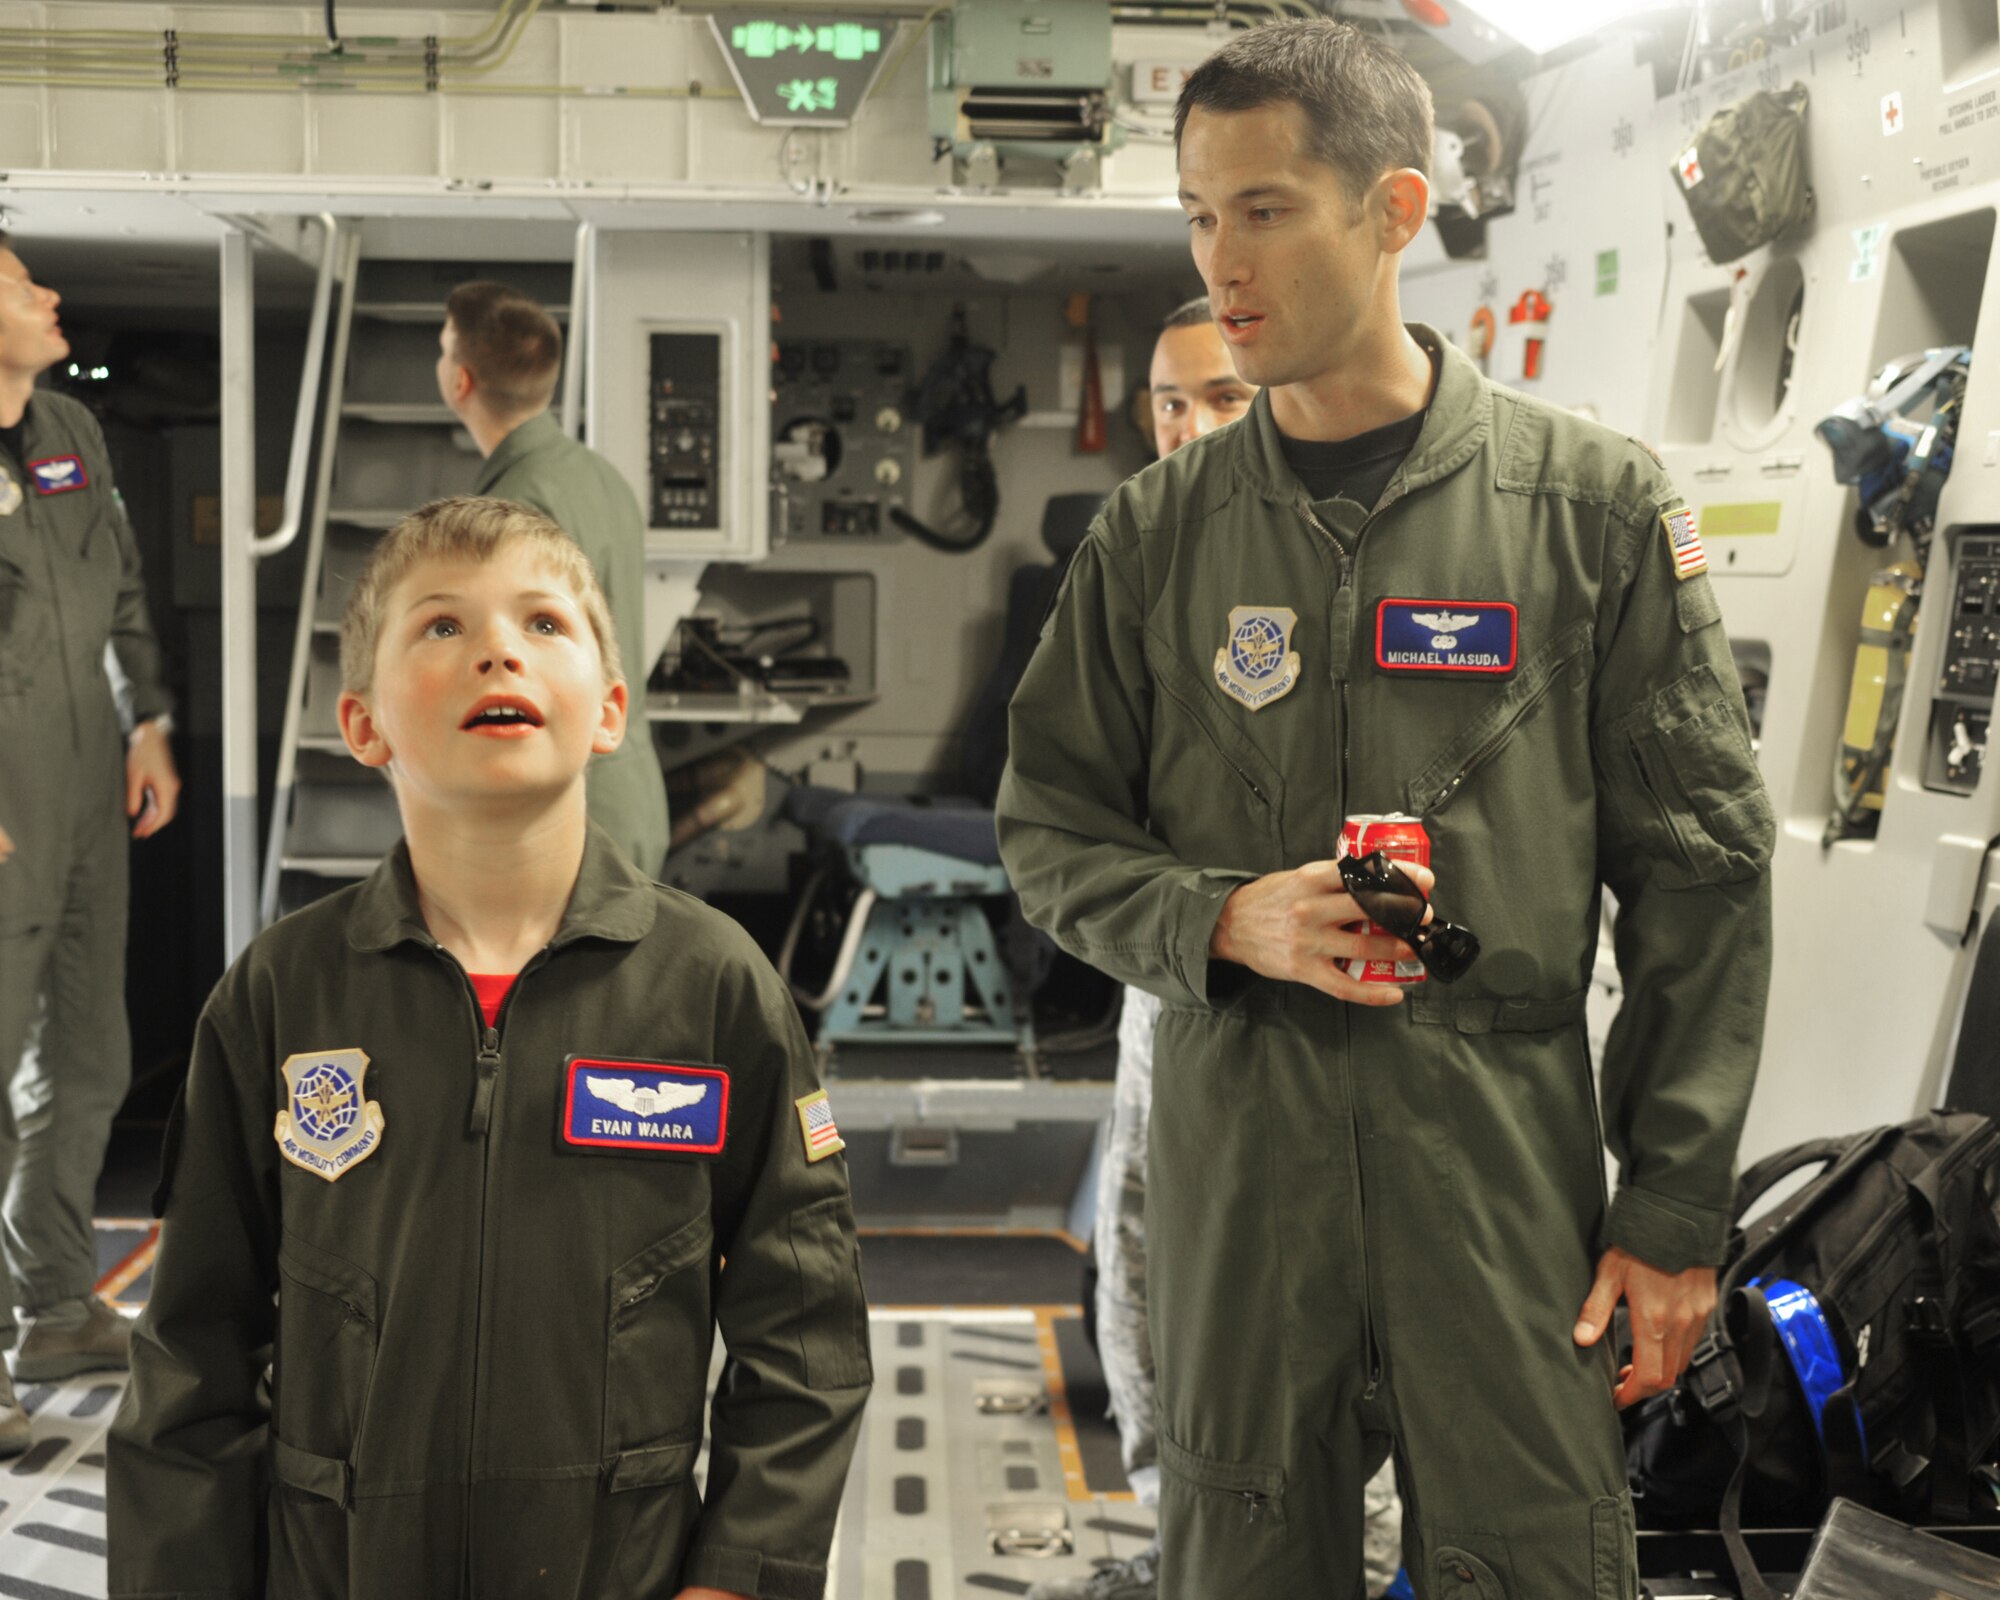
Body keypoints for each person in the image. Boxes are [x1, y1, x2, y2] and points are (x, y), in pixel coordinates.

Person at [996, 20, 1773, 1598]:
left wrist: (1677, 1206)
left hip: (1495, 1169)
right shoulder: (1153, 541)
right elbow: (1049, 832)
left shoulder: (1591, 514)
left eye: (1267, 209)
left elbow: (1700, 870)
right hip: (1244, 1171)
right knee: (1242, 1555)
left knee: (1543, 1560)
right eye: (1201, 216)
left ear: (1396, 212)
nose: (1224, 261)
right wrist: (1217, 920)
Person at [108, 496, 871, 1597]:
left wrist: (741, 1574)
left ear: (608, 711)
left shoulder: (710, 986)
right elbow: (191, 1357)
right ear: (362, 723)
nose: (498, 648)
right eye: (441, 626)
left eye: (543, 624)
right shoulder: (282, 996)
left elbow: (805, 1330)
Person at [1031, 300, 1400, 1600]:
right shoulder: (1136, 566)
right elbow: (1065, 829)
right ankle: (1184, 1556)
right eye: (1168, 403)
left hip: (1369, 1045)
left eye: (1220, 399)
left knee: (1355, 1370)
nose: (1187, 426)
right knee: (1142, 1305)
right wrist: (1210, 916)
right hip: (1177, 1008)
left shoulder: (1390, 558)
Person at [0, 234, 181, 1455]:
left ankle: (57, 1303)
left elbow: (117, 590)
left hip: (82, 784)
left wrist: (149, 717)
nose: (49, 295)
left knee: (87, 1056)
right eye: (19, 281)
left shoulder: (68, 431)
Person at [437, 280, 671, 876]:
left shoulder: (512, 506)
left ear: (460, 380)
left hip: (566, 811)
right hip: (628, 792)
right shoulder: (601, 478)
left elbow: (514, 674)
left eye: (445, 348)